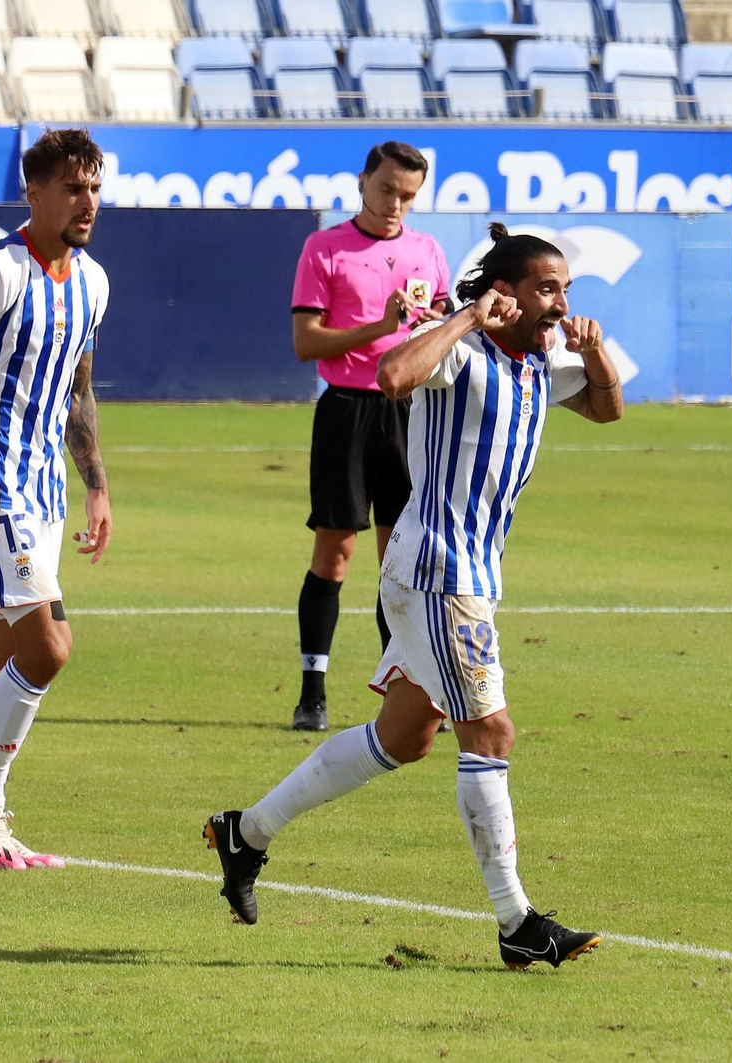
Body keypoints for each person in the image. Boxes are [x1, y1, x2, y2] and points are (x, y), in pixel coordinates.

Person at [207, 224, 623, 970]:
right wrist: (465, 316)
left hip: (466, 580)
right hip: (438, 573)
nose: (562, 302)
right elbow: (393, 376)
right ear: (508, 292)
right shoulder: (459, 350)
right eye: (549, 289)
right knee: (491, 735)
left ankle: (247, 832)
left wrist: (592, 351)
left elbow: (607, 406)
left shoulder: (540, 364)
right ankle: (515, 921)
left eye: (567, 289)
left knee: (403, 738)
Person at [0, 127, 111, 870]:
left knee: (0, 661)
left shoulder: (95, 282)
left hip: (44, 493)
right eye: (74, 188)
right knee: (49, 648)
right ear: (35, 192)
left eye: (94, 187)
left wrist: (98, 485)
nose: (88, 202)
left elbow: (78, 388)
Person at [288, 141, 451, 733]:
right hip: (346, 412)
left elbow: (441, 326)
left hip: (410, 411)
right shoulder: (324, 247)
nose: (396, 205)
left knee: (400, 559)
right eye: (387, 190)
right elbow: (307, 342)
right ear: (363, 183)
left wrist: (431, 323)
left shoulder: (428, 251)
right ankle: (312, 693)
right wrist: (379, 327)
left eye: (408, 196)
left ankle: (399, 694)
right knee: (335, 553)